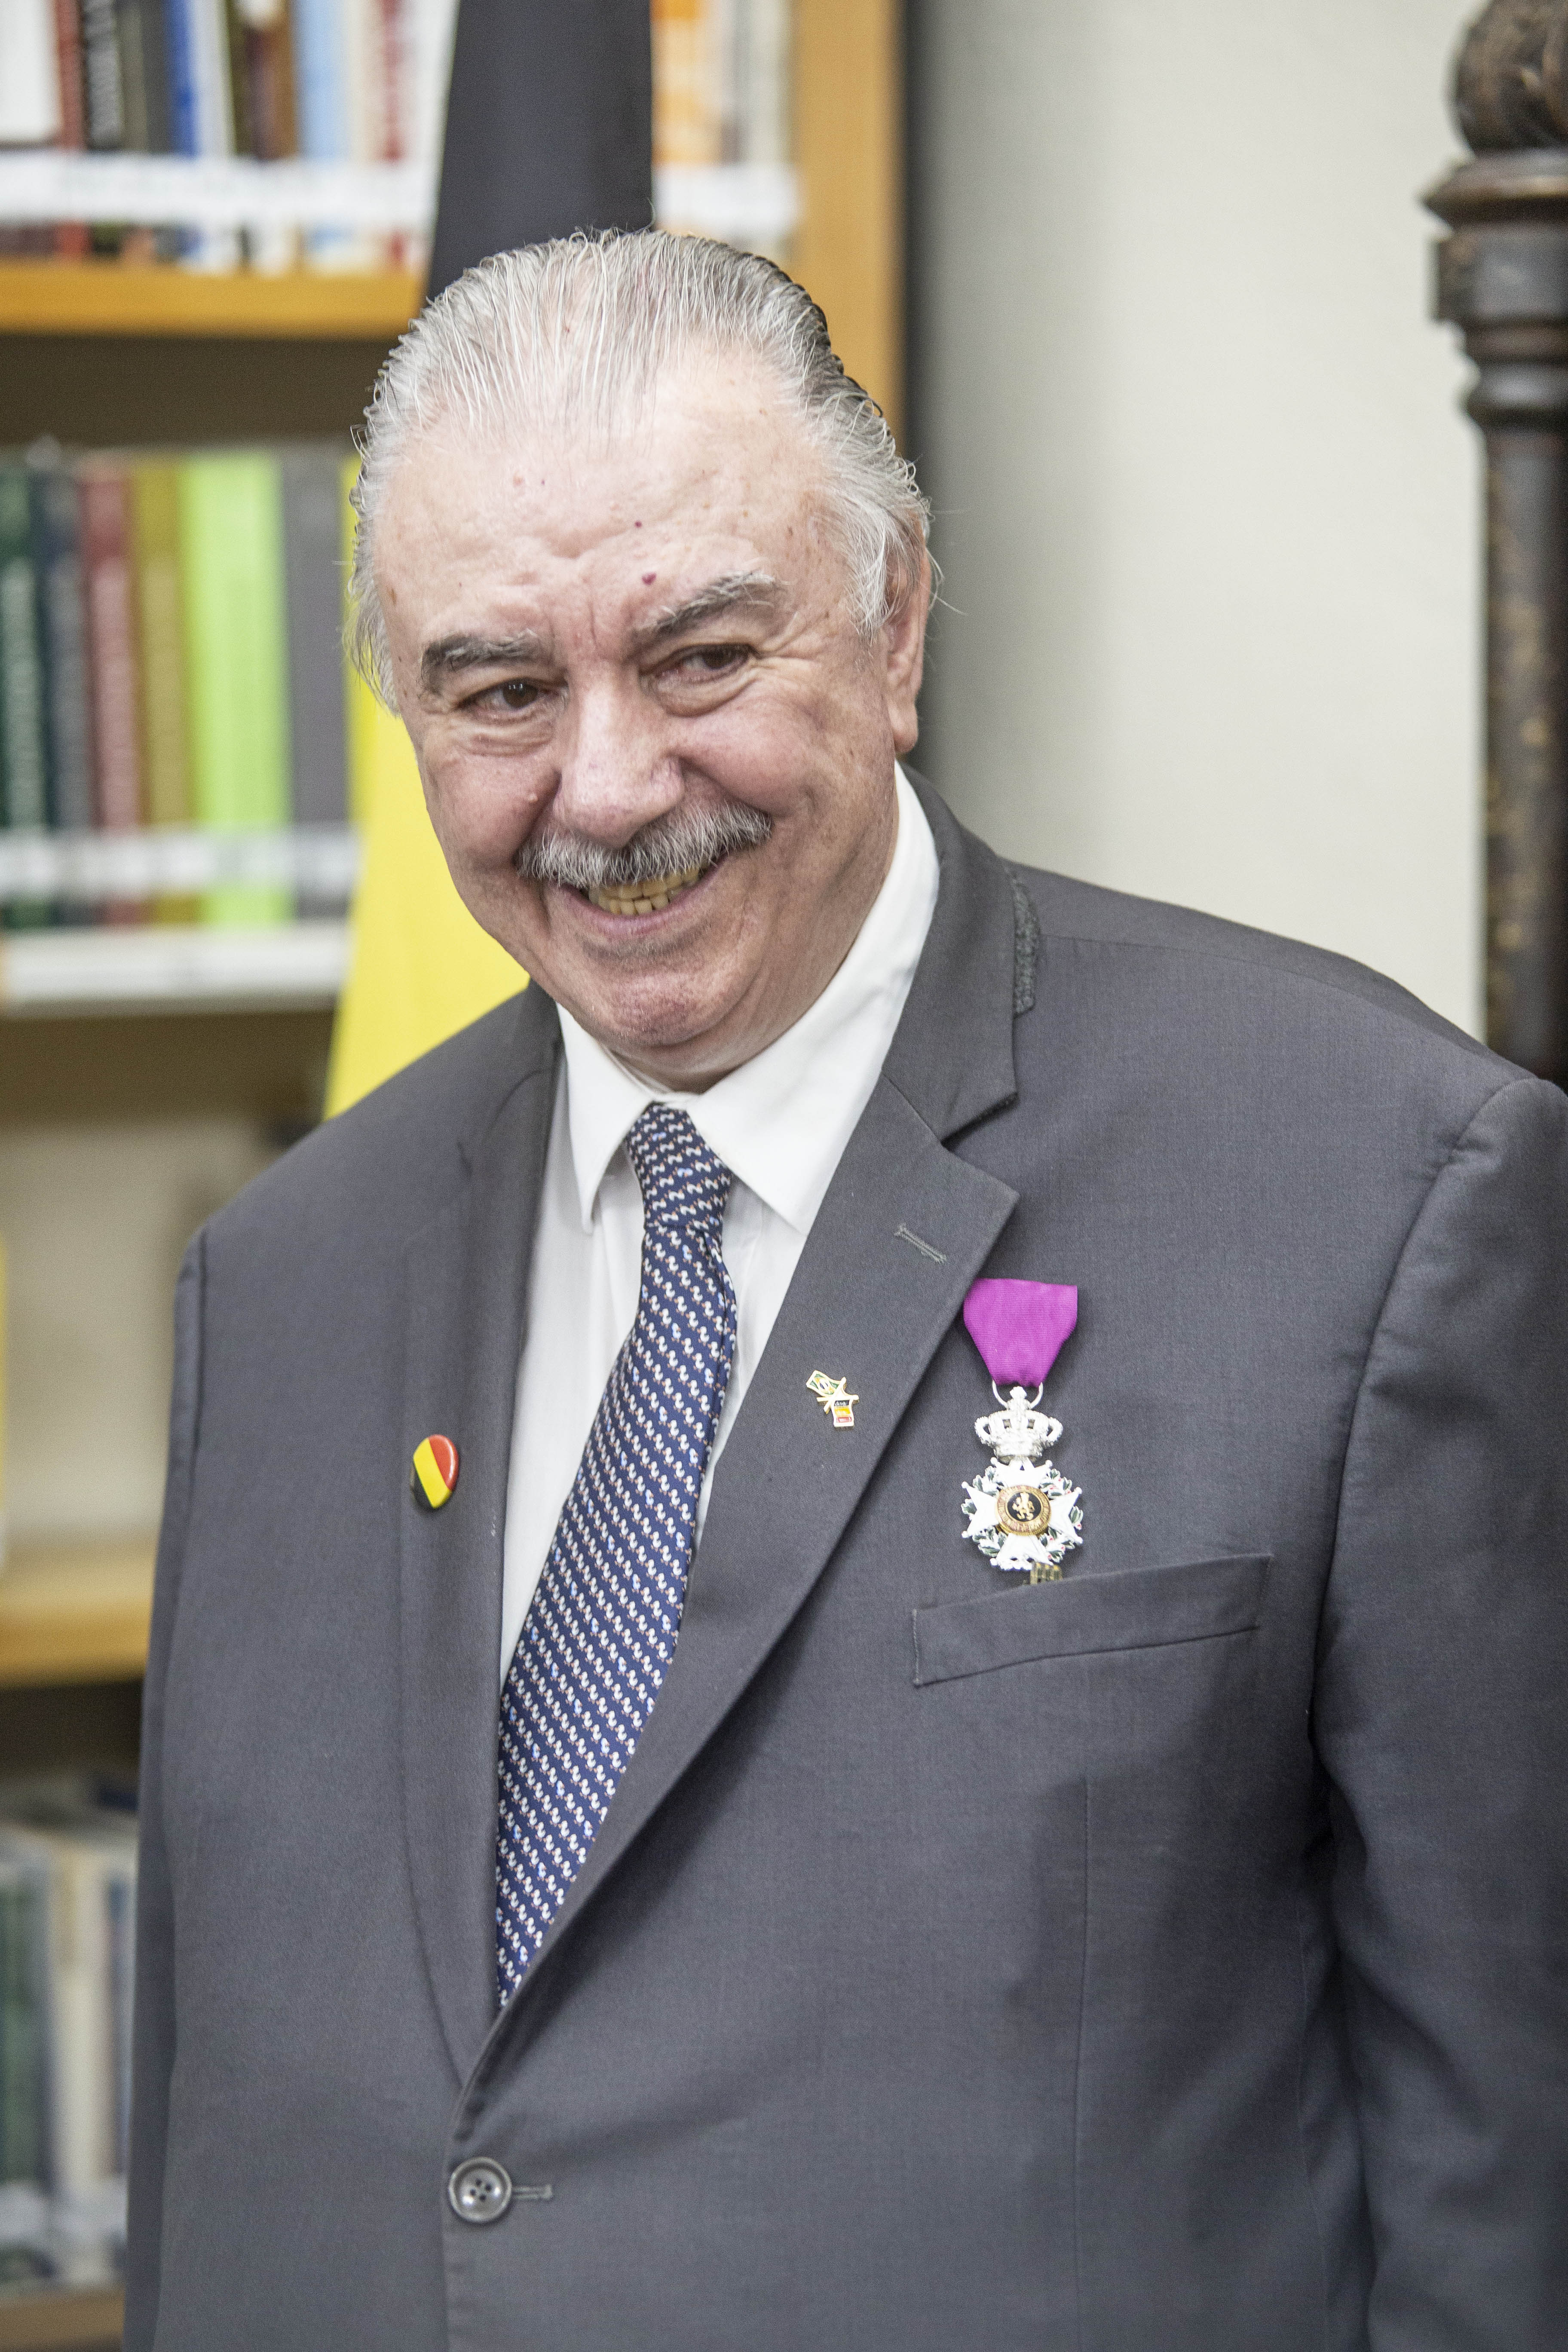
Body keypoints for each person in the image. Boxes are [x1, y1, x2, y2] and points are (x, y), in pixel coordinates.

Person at [125, 232, 1567, 2352]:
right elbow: (216, 2101)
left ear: (894, 633)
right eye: (501, 691)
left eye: (702, 657)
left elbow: (1511, 2177)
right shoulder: (285, 1283)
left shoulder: (1377, 1188)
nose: (608, 787)